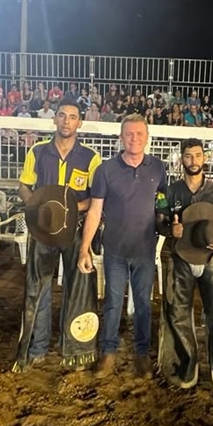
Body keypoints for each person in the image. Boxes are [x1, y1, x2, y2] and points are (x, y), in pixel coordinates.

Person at [13, 100, 102, 372]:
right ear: (55, 120)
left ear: (79, 123)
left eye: (72, 117)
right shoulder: (38, 152)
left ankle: (74, 349)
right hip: (43, 231)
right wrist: (38, 205)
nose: (66, 121)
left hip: (75, 232)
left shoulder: (91, 158)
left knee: (78, 289)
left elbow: (95, 198)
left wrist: (73, 209)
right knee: (38, 288)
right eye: (62, 115)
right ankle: (36, 348)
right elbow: (23, 187)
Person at [78, 114, 167, 379]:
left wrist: (168, 226)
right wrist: (85, 248)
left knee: (143, 303)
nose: (134, 139)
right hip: (114, 249)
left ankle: (142, 354)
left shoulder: (158, 169)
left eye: (139, 134)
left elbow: (162, 206)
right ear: (121, 137)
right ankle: (108, 353)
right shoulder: (106, 170)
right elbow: (94, 212)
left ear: (147, 137)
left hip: (144, 249)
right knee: (113, 302)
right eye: (129, 134)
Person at [155, 139, 213, 394]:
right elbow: (158, 223)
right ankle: (187, 365)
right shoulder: (168, 192)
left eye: (198, 155)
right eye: (188, 156)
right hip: (180, 257)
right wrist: (171, 229)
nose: (193, 160)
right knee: (178, 311)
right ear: (182, 159)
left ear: (205, 159)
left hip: (211, 257)